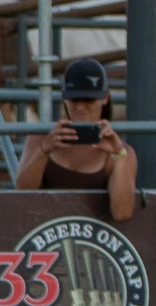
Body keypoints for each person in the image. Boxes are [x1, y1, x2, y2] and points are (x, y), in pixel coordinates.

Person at [16, 57, 137, 223]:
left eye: (88, 99)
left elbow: (122, 212)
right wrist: (44, 150)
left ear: (105, 98)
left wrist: (119, 156)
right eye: (74, 99)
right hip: (46, 235)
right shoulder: (40, 138)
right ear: (65, 98)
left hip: (91, 240)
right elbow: (22, 192)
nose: (80, 107)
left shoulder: (121, 153)